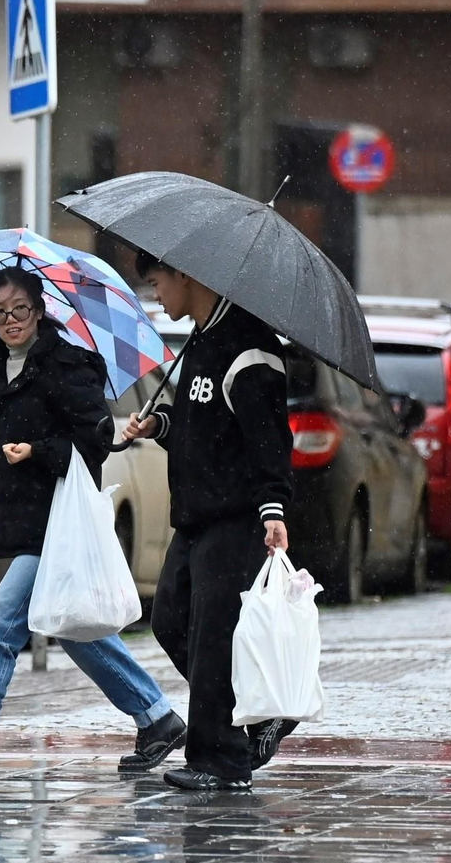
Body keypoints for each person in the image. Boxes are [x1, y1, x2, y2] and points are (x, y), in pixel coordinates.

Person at [0, 266, 187, 776]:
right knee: (74, 630)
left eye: (20, 309)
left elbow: (96, 441)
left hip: (57, 518)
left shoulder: (68, 365)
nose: (10, 320)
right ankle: (156, 718)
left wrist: (37, 452)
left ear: (40, 310)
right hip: (23, 517)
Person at [123, 254, 297, 791]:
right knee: (171, 623)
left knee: (212, 640)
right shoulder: (198, 342)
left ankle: (220, 761)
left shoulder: (250, 351)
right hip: (194, 516)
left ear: (188, 274)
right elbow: (203, 429)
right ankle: (261, 714)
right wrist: (160, 424)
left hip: (236, 518)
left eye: (157, 283)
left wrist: (273, 508)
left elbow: (270, 441)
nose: (156, 296)